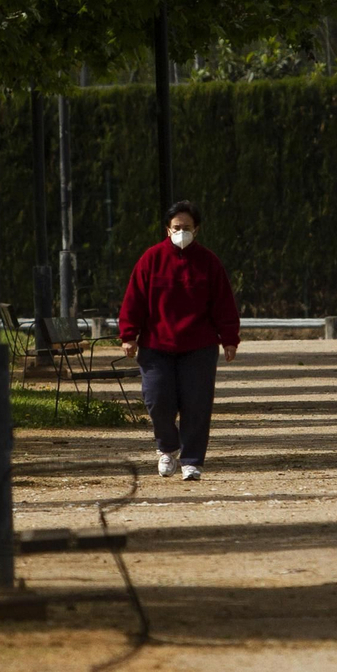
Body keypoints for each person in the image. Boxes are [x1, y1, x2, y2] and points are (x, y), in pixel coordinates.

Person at [118, 200, 241, 481]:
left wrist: (229, 339)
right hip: (156, 345)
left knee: (196, 404)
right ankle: (167, 447)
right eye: (177, 227)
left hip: (198, 346)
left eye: (186, 227)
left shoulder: (209, 263)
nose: (181, 232)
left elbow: (224, 304)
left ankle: (192, 460)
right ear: (167, 230)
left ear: (196, 230)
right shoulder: (150, 259)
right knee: (157, 399)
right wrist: (128, 334)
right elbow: (133, 300)